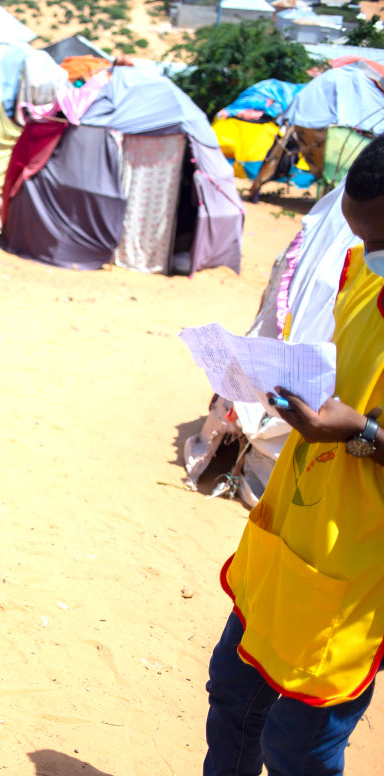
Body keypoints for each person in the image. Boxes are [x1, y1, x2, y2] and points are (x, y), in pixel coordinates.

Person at [204, 134, 384, 775]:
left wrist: (361, 431)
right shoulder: (364, 269)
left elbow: (363, 419)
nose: (369, 255)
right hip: (291, 540)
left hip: (358, 571)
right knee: (232, 695)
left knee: (299, 748)